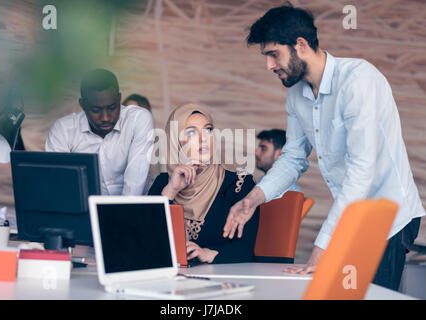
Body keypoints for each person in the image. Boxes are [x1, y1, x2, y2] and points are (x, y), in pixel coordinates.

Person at [222, 5, 425, 291]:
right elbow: (292, 158)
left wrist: (322, 246)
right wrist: (253, 199)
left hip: (389, 215)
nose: (269, 65)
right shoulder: (295, 95)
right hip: (352, 215)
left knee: (369, 296)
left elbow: (361, 173)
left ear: (300, 46)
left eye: (273, 54)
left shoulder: (358, 81)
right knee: (342, 293)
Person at [148, 103, 259, 264]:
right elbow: (145, 238)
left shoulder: (239, 184)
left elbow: (245, 248)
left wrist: (210, 253)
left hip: (227, 282)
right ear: (174, 140)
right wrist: (171, 191)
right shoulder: (164, 183)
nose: (203, 139)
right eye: (191, 132)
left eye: (208, 130)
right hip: (173, 282)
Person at [46, 69, 154, 196]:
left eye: (112, 108)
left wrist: (123, 215)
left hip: (133, 211)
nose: (105, 118)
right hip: (85, 212)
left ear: (119, 99)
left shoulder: (138, 120)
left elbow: (134, 187)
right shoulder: (63, 130)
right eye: (96, 110)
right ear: (83, 104)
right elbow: (62, 185)